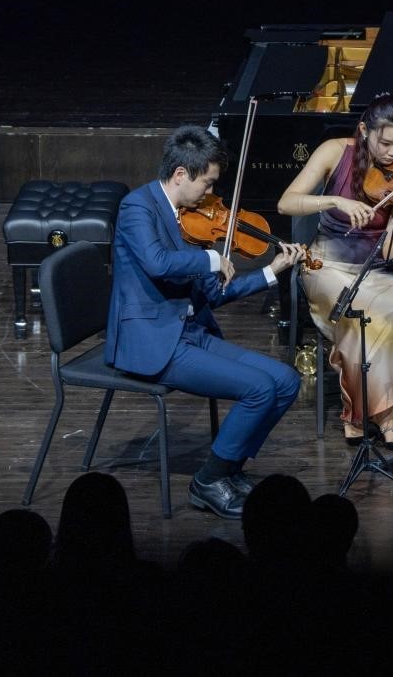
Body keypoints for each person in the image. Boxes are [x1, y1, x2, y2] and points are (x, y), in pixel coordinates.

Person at [105, 125, 306, 519]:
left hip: (191, 331)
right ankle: (208, 481)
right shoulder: (137, 207)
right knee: (259, 389)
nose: (211, 193)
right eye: (208, 183)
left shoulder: (188, 219)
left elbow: (213, 295)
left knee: (286, 381)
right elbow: (157, 263)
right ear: (181, 174)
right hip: (154, 340)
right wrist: (212, 258)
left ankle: (229, 469)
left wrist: (272, 271)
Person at [278, 93, 393, 450]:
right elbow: (286, 202)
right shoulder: (334, 151)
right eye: (385, 142)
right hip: (325, 266)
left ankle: (365, 414)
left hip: (373, 268)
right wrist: (336, 200)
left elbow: (391, 251)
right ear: (365, 130)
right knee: (362, 316)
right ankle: (383, 418)